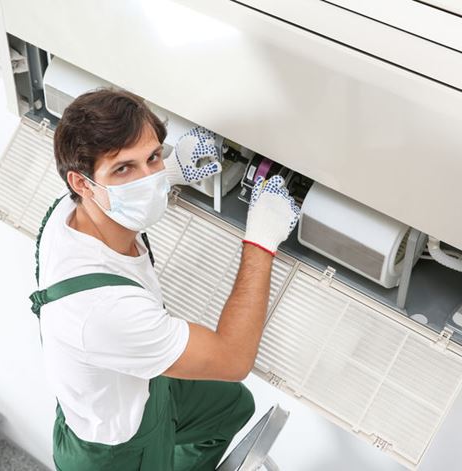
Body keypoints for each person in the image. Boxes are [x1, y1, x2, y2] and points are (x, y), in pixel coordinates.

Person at [31, 88, 300, 470]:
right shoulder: (105, 311)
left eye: (153, 157)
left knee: (231, 406)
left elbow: (140, 185)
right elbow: (233, 359)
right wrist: (261, 240)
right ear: (82, 183)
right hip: (118, 453)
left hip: (136, 385)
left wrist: (172, 171)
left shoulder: (68, 213)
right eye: (124, 169)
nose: (147, 180)